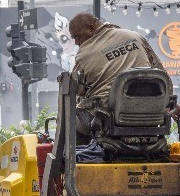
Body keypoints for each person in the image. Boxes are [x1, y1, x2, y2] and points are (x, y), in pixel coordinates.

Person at [68, 12, 172, 144]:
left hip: (107, 118)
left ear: (91, 28)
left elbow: (78, 89)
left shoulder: (84, 54)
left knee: (70, 118)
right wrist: (167, 101)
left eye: (77, 36)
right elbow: (162, 75)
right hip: (151, 114)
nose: (76, 42)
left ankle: (80, 158)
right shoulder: (135, 37)